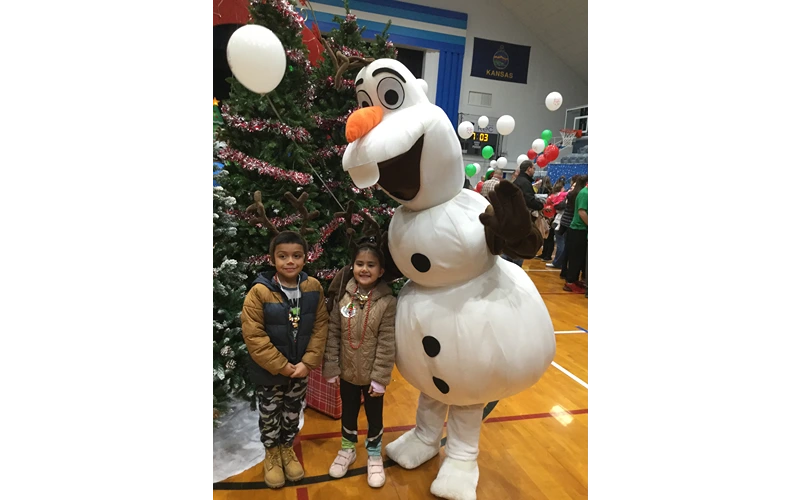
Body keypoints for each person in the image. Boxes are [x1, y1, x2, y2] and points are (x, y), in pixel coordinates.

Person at [240, 230, 330, 489]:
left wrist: (307, 363)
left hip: (300, 369)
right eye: (283, 256)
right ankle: (272, 453)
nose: (290, 261)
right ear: (272, 259)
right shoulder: (259, 292)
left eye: (296, 256)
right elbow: (254, 335)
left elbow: (320, 326)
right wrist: (281, 366)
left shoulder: (313, 288)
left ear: (305, 258)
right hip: (270, 372)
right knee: (270, 414)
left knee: (292, 412)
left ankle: (286, 448)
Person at [323, 237, 397, 488]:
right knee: (348, 412)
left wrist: (380, 378)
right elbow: (333, 333)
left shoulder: (387, 303)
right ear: (352, 266)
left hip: (372, 376)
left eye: (371, 265)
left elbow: (387, 343)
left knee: (374, 416)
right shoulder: (343, 297)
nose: (364, 269)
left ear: (381, 271)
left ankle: (374, 453)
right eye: (360, 264)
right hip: (347, 373)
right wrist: (332, 365)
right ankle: (347, 449)